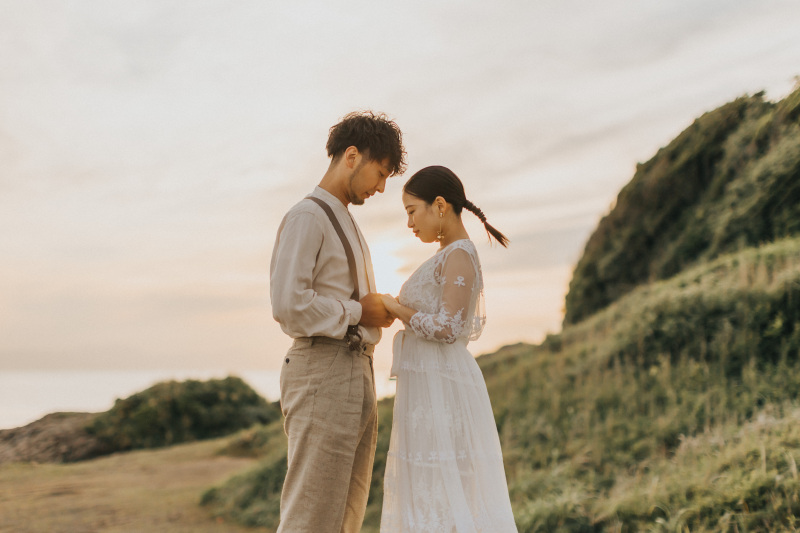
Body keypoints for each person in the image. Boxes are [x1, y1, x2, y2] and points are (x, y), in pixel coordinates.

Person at [270, 111, 406, 533]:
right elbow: (287, 304)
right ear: (351, 156)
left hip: (354, 369)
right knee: (312, 515)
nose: (381, 187)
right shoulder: (308, 217)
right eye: (380, 173)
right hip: (323, 370)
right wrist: (357, 312)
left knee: (346, 515)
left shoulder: (346, 220)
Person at [379, 166, 517, 532]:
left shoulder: (458, 254)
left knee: (448, 484)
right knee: (430, 486)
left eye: (411, 211)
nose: (409, 223)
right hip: (429, 385)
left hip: (443, 384)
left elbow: (447, 327)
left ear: (439, 206)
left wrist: (395, 307)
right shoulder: (447, 253)